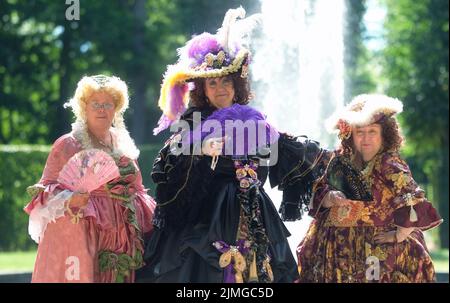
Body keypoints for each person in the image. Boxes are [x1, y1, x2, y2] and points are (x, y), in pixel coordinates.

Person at [136, 7, 327, 283]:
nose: (221, 88)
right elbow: (170, 159)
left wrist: (332, 169)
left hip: (256, 213)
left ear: (237, 85)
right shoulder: (193, 121)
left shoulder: (256, 122)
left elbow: (293, 155)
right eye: (212, 83)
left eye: (227, 81)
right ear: (203, 89)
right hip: (205, 219)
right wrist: (200, 149)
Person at [296, 94, 442, 283]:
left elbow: (412, 197)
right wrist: (329, 197)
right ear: (350, 135)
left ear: (384, 134)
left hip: (377, 252)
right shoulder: (339, 161)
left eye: (372, 131)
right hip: (334, 250)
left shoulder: (388, 162)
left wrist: (399, 235)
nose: (365, 139)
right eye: (360, 132)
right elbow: (317, 192)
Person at [25, 75, 156, 282]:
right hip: (84, 232)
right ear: (84, 107)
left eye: (108, 104)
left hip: (122, 234)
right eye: (96, 104)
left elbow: (138, 189)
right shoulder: (68, 144)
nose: (102, 109)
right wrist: (70, 198)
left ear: (116, 109)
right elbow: (46, 190)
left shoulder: (123, 145)